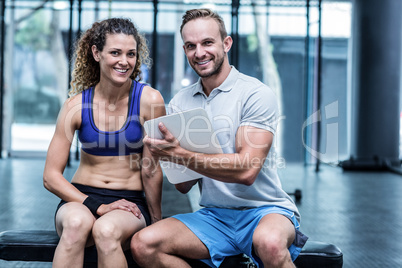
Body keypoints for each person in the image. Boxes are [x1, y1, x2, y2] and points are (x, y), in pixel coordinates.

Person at [130, 8, 308, 268]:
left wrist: (180, 155)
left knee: (269, 243)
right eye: (191, 46)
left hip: (265, 210)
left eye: (207, 43)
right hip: (214, 216)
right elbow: (183, 185)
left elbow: (247, 171)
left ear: (226, 44)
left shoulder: (254, 94)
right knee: (143, 244)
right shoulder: (181, 101)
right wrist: (168, 156)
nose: (199, 52)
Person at [43, 17, 165, 268]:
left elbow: (151, 170)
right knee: (77, 225)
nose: (124, 61)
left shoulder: (149, 100)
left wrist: (156, 221)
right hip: (81, 198)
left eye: (131, 54)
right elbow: (50, 177)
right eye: (115, 52)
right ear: (96, 53)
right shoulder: (75, 106)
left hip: (129, 202)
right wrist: (97, 206)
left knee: (106, 230)